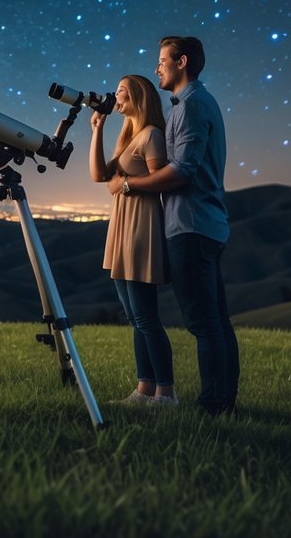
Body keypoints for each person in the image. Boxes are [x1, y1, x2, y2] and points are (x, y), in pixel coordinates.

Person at [109, 36, 240, 416]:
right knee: (216, 322)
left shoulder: (192, 106)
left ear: (181, 62)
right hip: (206, 223)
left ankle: (214, 406)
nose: (156, 68)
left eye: (162, 61)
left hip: (191, 225)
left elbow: (182, 171)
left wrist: (129, 184)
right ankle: (223, 402)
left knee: (203, 324)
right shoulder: (195, 103)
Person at [89, 74, 177, 407]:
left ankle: (165, 394)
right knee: (134, 317)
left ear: (138, 97)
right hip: (122, 229)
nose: (115, 96)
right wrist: (97, 128)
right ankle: (144, 390)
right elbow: (99, 175)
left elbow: (162, 181)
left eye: (122, 92)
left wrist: (126, 185)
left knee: (145, 317)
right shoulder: (130, 137)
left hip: (142, 229)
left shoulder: (152, 136)